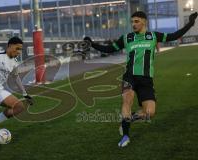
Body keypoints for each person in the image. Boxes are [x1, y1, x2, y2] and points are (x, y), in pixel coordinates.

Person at [84, 11, 197, 147]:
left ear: (144, 22)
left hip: (146, 80)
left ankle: (128, 119)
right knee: (127, 101)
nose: (133, 24)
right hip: (129, 77)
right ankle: (125, 136)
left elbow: (175, 35)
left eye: (136, 21)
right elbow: (109, 49)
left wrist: (190, 23)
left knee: (150, 113)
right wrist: (92, 44)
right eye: (132, 22)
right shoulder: (127, 38)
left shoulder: (153, 36)